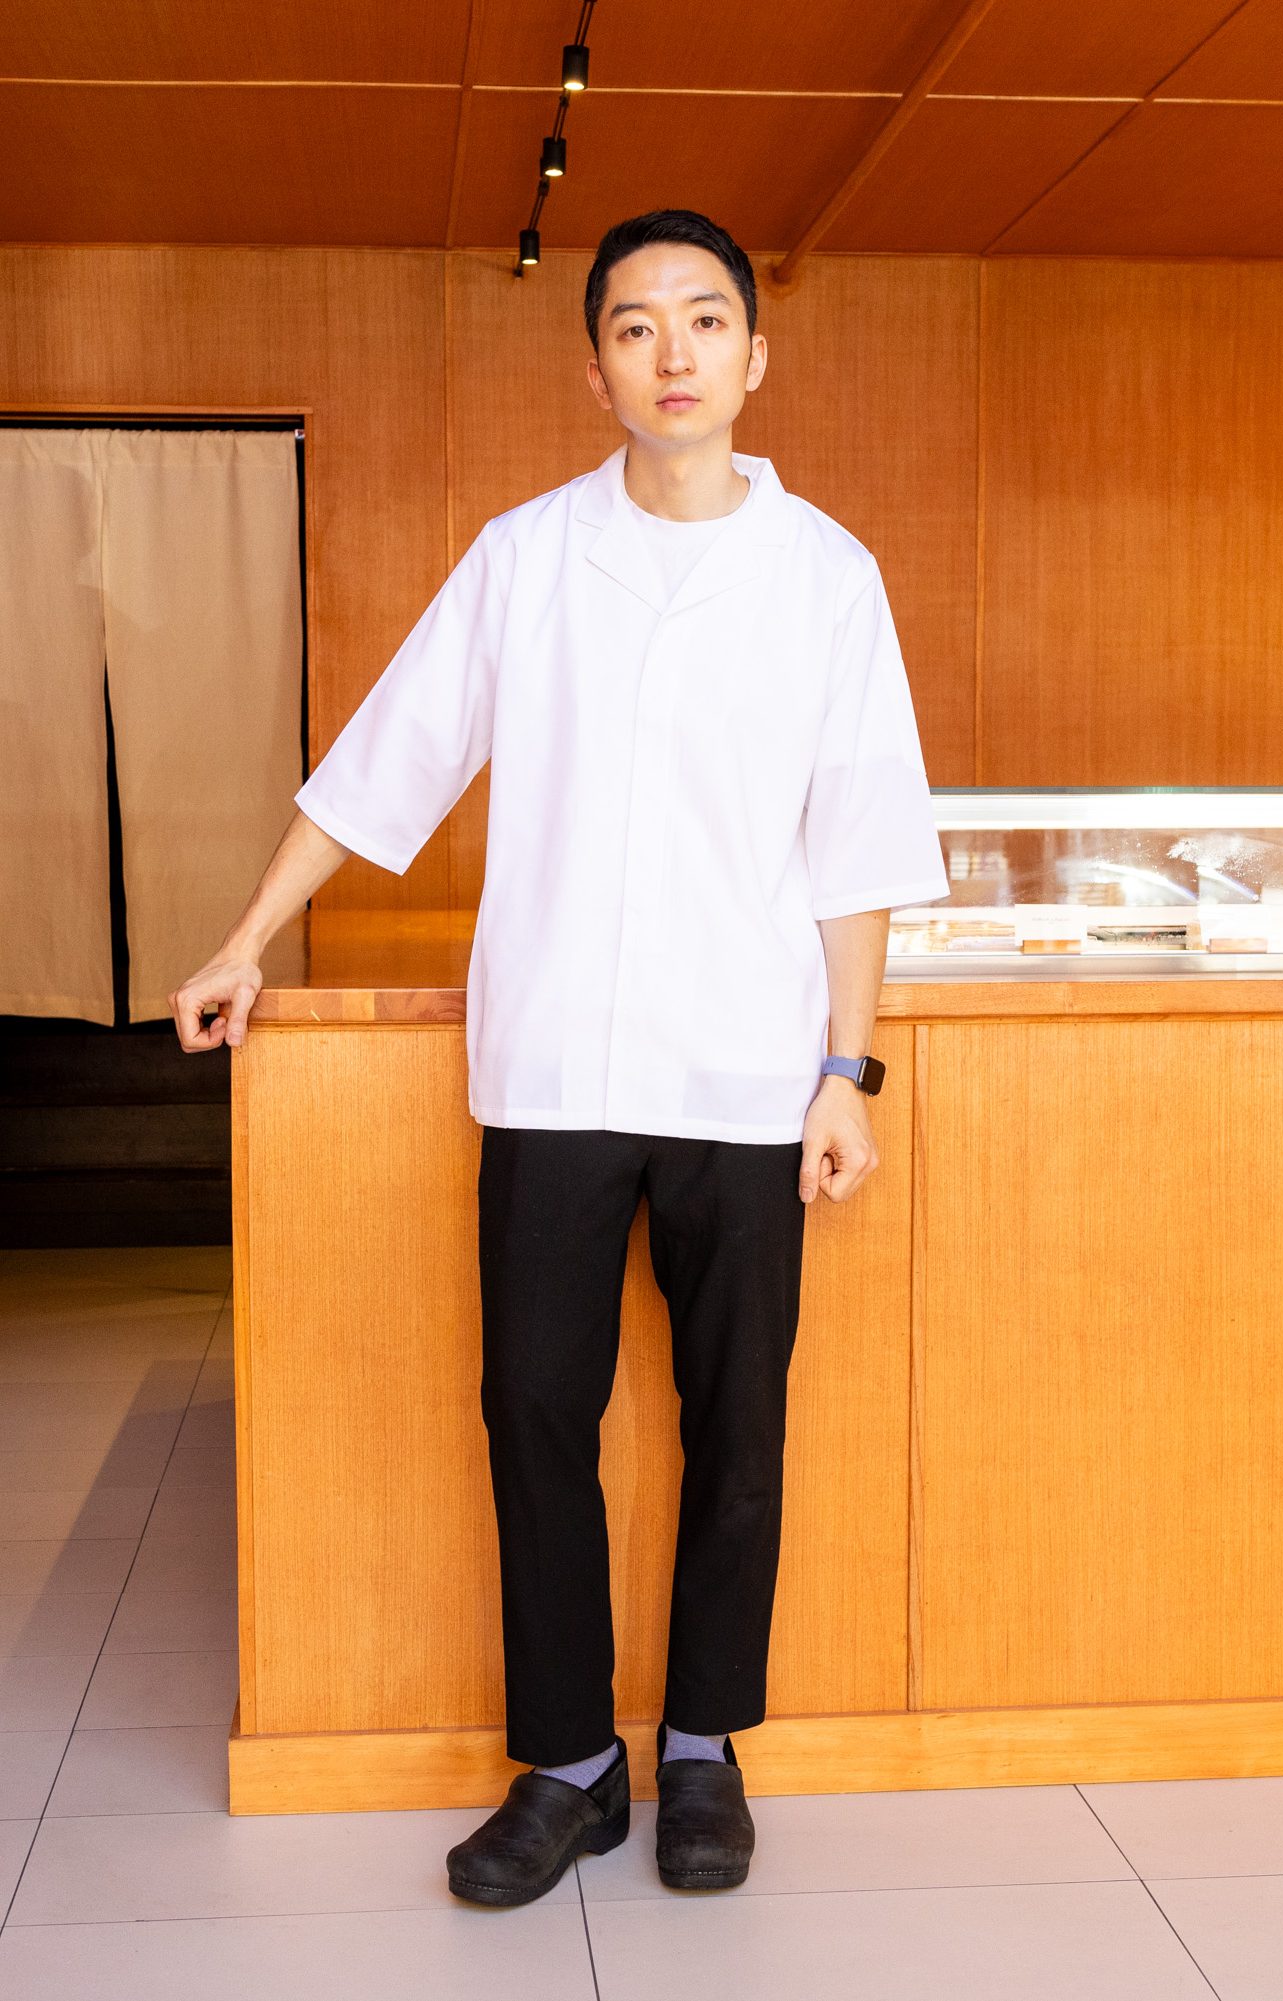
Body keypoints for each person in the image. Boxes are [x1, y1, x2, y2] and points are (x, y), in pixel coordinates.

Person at [171, 208, 950, 1905]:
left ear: (757, 355)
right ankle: (572, 1762)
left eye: (703, 320)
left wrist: (848, 1068)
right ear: (593, 362)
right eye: (634, 326)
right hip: (548, 1079)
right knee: (535, 1411)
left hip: (748, 1074)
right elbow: (382, 764)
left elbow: (864, 843)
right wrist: (245, 936)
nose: (672, 354)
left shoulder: (829, 575)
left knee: (737, 1421)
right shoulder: (524, 556)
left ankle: (702, 1752)